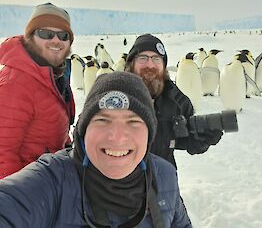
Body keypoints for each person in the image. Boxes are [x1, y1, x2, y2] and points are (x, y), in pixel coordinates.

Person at [0, 72, 192, 228]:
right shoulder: (54, 179)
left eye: (133, 122)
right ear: (84, 130)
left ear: (149, 134)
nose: (117, 136)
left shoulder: (164, 176)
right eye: (102, 120)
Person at [125, 34, 223, 169]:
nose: (150, 64)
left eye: (156, 59)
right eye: (143, 58)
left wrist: (202, 138)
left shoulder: (175, 99)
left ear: (163, 65)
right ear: (131, 63)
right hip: (120, 185)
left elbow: (183, 139)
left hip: (164, 180)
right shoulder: (114, 96)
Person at [0, 2, 75, 178]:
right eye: (46, 34)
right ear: (30, 37)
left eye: (63, 35)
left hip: (47, 180)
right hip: (29, 189)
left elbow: (50, 124)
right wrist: (16, 199)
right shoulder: (17, 83)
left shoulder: (52, 75)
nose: (56, 40)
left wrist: (68, 148)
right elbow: (3, 152)